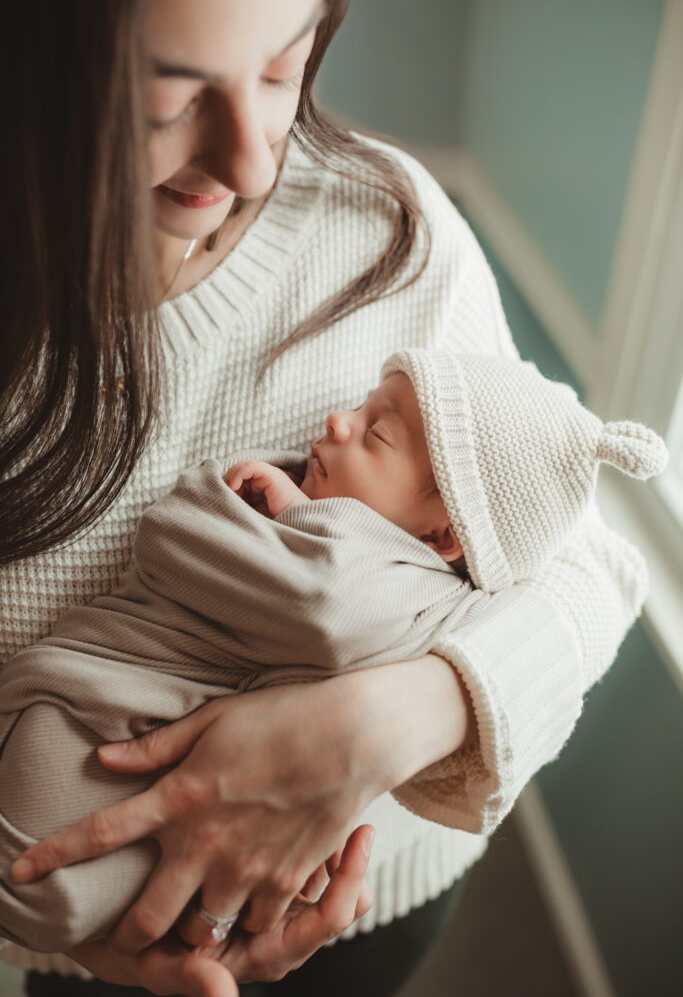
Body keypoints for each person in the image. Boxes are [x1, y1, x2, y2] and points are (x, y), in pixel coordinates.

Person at [0, 0, 650, 995]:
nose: (256, 157)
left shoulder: (382, 225)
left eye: (280, 65)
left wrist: (392, 719)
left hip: (382, 900)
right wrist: (49, 922)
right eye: (171, 95)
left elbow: (590, 565)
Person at [0, 349, 667, 957]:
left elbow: (323, 600)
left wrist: (293, 514)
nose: (337, 421)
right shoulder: (374, 531)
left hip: (308, 879)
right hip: (123, 747)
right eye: (359, 405)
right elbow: (185, 553)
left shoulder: (401, 592)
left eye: (375, 431)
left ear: (438, 538)